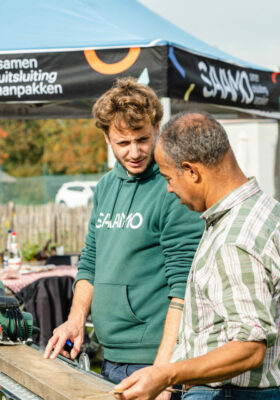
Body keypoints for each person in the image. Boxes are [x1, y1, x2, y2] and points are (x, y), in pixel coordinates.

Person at [44, 78, 204, 397]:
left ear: (158, 127)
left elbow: (185, 286)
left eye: (142, 139)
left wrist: (164, 376)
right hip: (110, 356)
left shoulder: (174, 188)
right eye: (123, 142)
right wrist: (76, 320)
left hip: (154, 360)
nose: (134, 152)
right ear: (106, 137)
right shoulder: (105, 186)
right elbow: (90, 261)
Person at [114, 111, 280, 399]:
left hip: (230, 393)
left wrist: (167, 372)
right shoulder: (266, 211)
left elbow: (250, 347)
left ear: (192, 171)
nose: (168, 188)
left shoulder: (234, 240)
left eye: (168, 177)